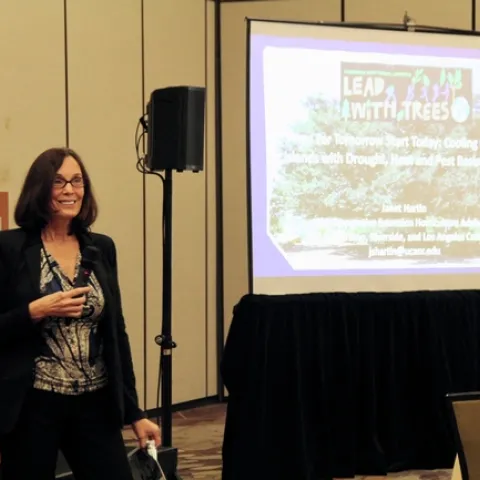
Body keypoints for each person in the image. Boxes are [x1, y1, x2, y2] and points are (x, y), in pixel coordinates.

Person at [0, 147, 161, 480]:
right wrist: (33, 311)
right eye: (58, 182)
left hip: (95, 402)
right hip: (33, 403)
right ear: (39, 188)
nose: (69, 190)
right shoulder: (9, 248)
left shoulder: (100, 247)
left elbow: (116, 333)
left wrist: (135, 412)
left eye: (77, 181)